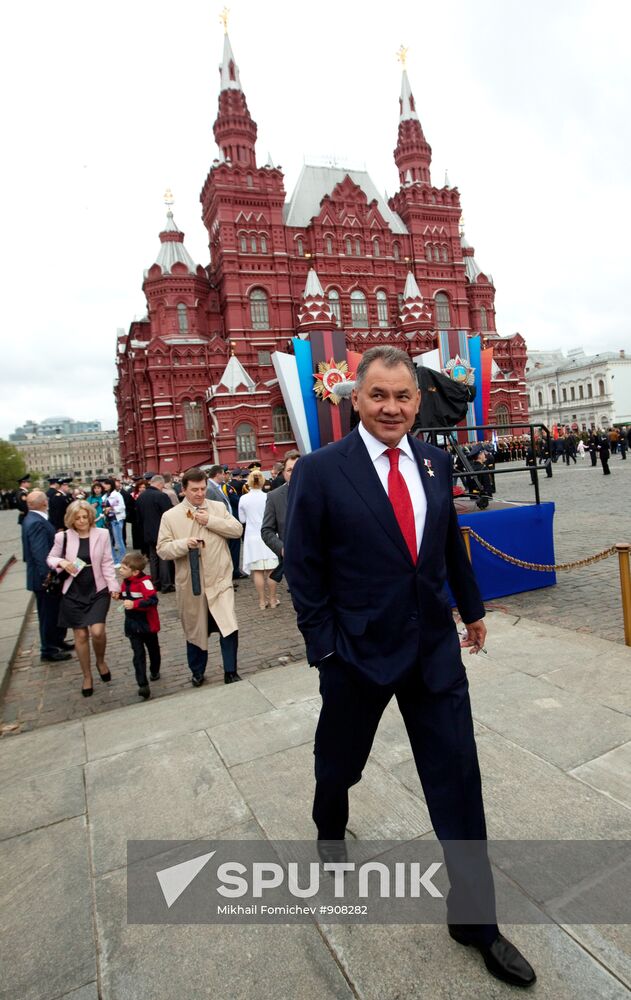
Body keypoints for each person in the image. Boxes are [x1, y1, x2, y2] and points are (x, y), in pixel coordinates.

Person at [284, 346, 535, 989]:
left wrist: (472, 609)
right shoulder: (319, 471)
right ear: (356, 400)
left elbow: (445, 542)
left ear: (417, 401)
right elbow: (304, 570)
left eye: (402, 397)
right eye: (378, 396)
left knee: (458, 780)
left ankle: (476, 921)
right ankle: (329, 825)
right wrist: (325, 648)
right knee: (339, 762)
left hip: (432, 653)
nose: (391, 407)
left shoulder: (434, 459)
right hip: (356, 655)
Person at [156, 467, 243, 686]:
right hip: (192, 585)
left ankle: (230, 671)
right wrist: (183, 544)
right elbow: (163, 549)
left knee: (228, 625)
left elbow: (236, 530)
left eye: (203, 488)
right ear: (184, 490)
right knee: (195, 630)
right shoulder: (171, 516)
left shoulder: (217, 507)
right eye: (194, 489)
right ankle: (197, 672)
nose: (200, 493)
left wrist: (211, 521)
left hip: (220, 580)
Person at [47, 500, 119, 696]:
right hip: (73, 590)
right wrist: (62, 562)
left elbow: (106, 561)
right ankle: (87, 676)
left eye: (84, 517)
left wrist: (113, 586)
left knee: (97, 631)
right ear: (71, 519)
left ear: (90, 517)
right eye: (77, 518)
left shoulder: (102, 534)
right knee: (80, 635)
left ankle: (100, 660)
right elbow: (51, 558)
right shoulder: (63, 537)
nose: (81, 521)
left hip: (97, 588)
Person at [22, 490, 72, 663]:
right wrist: (49, 575)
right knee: (47, 614)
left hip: (43, 575)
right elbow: (40, 552)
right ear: (44, 503)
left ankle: (57, 640)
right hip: (44, 578)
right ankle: (48, 649)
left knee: (55, 611)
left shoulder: (32, 519)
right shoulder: (36, 522)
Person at [117, 550, 161, 700]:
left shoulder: (145, 583)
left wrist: (135, 604)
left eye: (123, 568)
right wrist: (119, 596)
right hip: (132, 624)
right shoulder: (126, 582)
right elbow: (127, 595)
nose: (120, 570)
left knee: (153, 649)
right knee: (138, 654)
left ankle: (155, 670)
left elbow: (153, 600)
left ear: (135, 572)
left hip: (147, 624)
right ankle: (143, 684)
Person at [238, 470, 280, 610]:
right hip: (268, 535)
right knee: (271, 570)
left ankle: (262, 601)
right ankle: (273, 599)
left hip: (252, 537)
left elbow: (242, 519)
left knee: (257, 571)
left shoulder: (243, 499)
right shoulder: (268, 496)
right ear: (263, 482)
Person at [260, 452, 299, 581]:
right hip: (293, 563)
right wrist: (282, 549)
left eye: (299, 468)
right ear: (283, 473)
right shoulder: (274, 497)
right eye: (290, 470)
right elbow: (266, 530)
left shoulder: (319, 491)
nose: (294, 473)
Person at [135, 475, 174, 591]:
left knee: (153, 558)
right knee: (164, 558)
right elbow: (168, 515)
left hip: (147, 533)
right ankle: (166, 584)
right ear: (160, 484)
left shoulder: (141, 497)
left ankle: (155, 583)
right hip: (162, 532)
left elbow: (139, 518)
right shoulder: (162, 496)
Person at [102, 478, 127, 565]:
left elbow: (122, 507)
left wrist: (111, 508)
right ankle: (115, 560)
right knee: (109, 542)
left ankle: (123, 560)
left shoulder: (117, 495)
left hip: (116, 520)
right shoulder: (105, 496)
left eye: (106, 484)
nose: (104, 486)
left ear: (111, 485)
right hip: (107, 520)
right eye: (104, 484)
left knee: (119, 541)